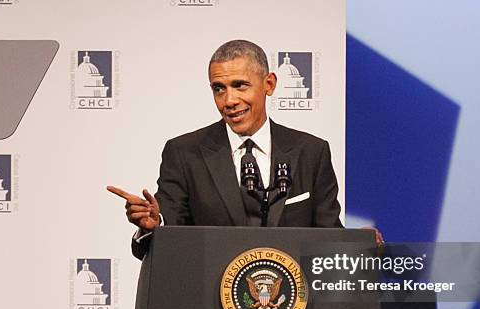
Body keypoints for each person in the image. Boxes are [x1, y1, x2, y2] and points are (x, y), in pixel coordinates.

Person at [108, 39, 363, 260]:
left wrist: (360, 249)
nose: (229, 101)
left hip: (295, 306)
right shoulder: (184, 153)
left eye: (240, 86)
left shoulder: (311, 152)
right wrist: (153, 225)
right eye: (219, 89)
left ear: (269, 84)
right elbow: (168, 225)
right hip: (210, 306)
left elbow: (329, 240)